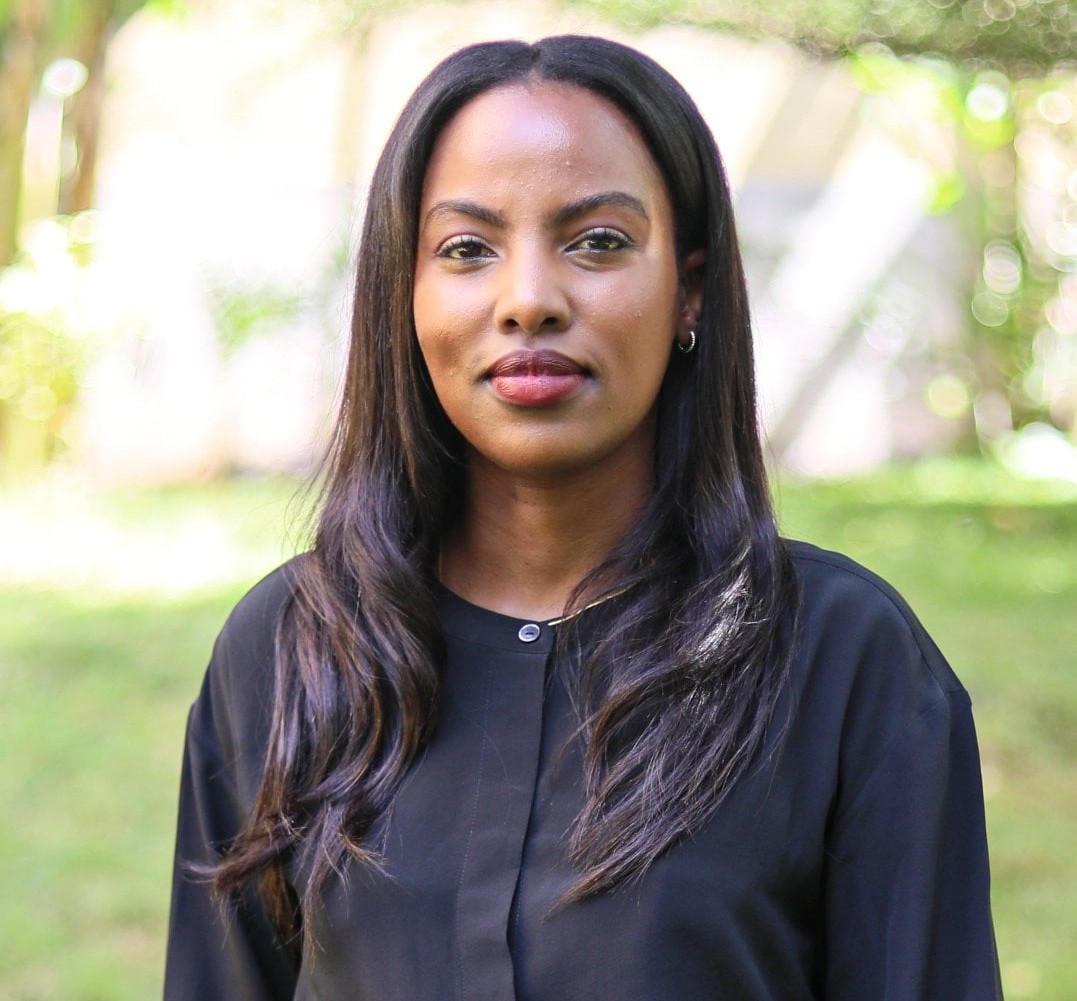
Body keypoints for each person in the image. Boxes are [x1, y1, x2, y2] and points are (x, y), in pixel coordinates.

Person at [164, 35, 1002, 1000]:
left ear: (688, 288)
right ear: (406, 294)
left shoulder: (845, 660)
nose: (527, 300)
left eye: (597, 240)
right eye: (466, 249)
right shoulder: (285, 650)